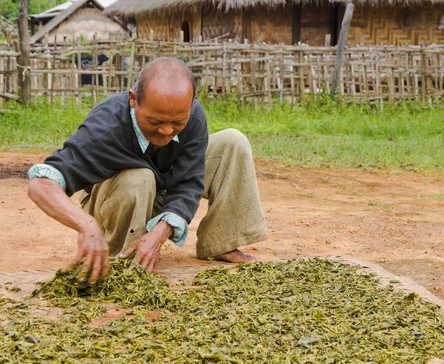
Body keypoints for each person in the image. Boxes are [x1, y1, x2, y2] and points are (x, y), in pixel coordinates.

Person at [27, 57, 268, 283]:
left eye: (177, 123)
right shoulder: (106, 127)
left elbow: (188, 182)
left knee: (232, 142)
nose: (166, 131)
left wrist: (160, 233)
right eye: (155, 121)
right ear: (133, 99)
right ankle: (124, 261)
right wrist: (86, 226)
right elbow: (42, 183)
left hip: (160, 188)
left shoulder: (193, 117)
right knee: (140, 177)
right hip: (115, 198)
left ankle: (221, 241)